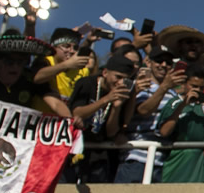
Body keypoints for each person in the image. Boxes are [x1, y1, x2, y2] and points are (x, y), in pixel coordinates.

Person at [0, 33, 71, 117]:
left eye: (20, 62)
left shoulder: (29, 79)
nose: (15, 67)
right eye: (9, 62)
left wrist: (70, 122)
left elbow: (55, 103)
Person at [118, 46, 186, 184]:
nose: (163, 65)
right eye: (159, 61)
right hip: (136, 158)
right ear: (148, 62)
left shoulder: (173, 94)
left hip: (161, 160)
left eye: (168, 62)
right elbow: (143, 111)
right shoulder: (140, 85)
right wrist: (164, 87)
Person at [67, 54, 137, 182]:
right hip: (75, 149)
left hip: (99, 154)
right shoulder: (86, 83)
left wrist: (116, 108)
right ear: (105, 73)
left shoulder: (123, 93)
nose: (120, 82)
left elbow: (111, 132)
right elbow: (77, 113)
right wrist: (106, 99)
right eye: (118, 77)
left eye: (125, 80)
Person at [157, 63, 204, 183]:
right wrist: (183, 105)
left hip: (200, 160)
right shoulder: (174, 103)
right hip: (178, 158)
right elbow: (164, 132)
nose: (197, 90)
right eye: (194, 86)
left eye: (201, 87)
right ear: (185, 84)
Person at [32, 27, 90, 103]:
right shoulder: (46, 60)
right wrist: (66, 65)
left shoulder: (82, 71)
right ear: (54, 47)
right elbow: (37, 78)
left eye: (75, 48)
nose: (72, 51)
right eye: (66, 46)